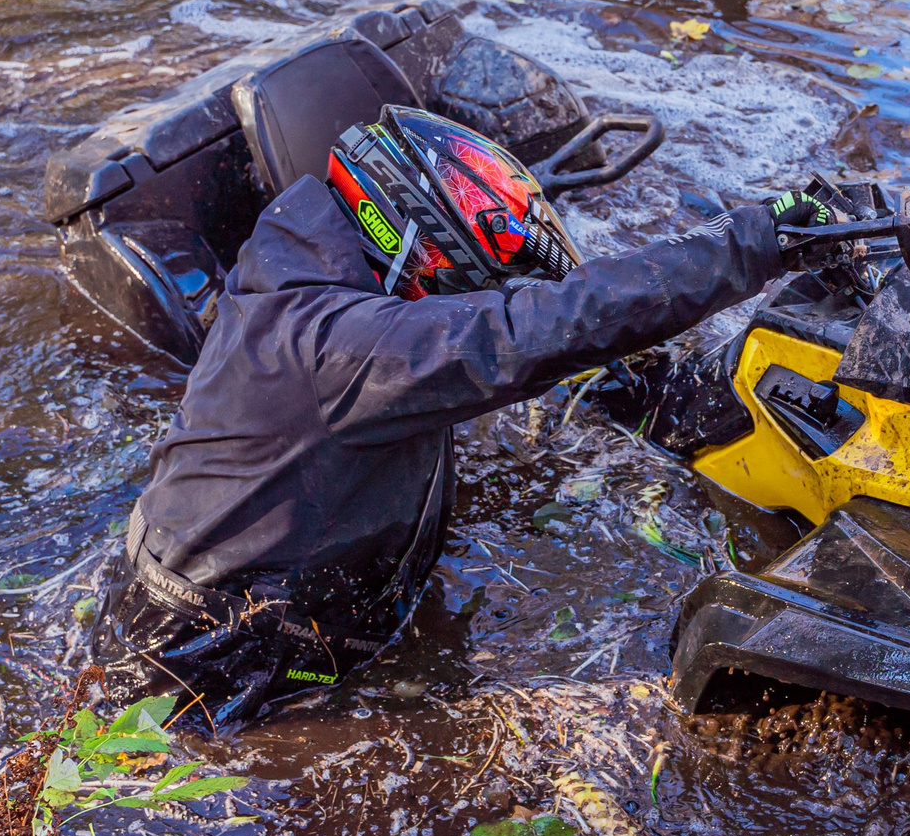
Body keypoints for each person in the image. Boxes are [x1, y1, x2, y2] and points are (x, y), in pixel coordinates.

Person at [97, 103, 840, 725]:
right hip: (204, 669)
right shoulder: (339, 346)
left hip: (291, 611)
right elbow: (530, 330)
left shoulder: (317, 273)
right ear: (413, 245)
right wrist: (762, 238)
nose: (471, 300)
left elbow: (536, 325)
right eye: (466, 285)